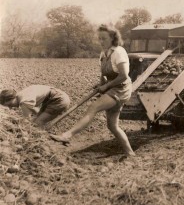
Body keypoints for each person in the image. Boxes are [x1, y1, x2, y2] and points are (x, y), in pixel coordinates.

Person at [50, 25, 135, 156]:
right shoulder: (103, 54)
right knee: (112, 126)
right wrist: (101, 84)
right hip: (112, 88)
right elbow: (104, 74)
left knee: (93, 107)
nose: (101, 41)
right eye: (99, 38)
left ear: (113, 38)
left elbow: (123, 76)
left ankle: (67, 135)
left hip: (121, 89)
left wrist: (106, 86)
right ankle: (130, 153)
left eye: (104, 38)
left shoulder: (119, 52)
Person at [0, 85, 70, 127]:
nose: (10, 107)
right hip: (53, 98)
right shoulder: (21, 95)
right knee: (37, 120)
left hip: (58, 100)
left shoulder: (24, 101)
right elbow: (35, 111)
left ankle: (43, 140)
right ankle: (45, 131)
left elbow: (26, 121)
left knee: (37, 124)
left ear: (13, 97)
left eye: (10, 104)